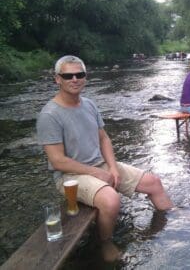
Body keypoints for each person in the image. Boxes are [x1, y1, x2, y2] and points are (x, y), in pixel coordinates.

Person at [36, 55, 173, 262]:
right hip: (69, 177)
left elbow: (104, 139)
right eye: (68, 75)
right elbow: (57, 161)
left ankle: (172, 222)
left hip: (99, 164)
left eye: (79, 74)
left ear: (85, 77)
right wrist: (98, 172)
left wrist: (112, 167)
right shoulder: (49, 115)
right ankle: (105, 243)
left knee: (153, 182)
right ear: (57, 79)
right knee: (111, 200)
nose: (74, 79)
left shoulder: (89, 104)